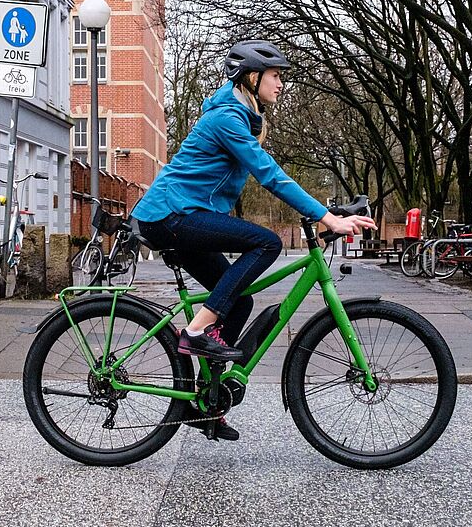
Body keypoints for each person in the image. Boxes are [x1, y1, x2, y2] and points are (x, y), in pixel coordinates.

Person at [130, 40, 375, 441]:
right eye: (276, 76)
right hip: (169, 216)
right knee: (267, 243)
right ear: (252, 76)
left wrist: (332, 213)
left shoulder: (242, 116)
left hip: (186, 215)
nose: (281, 84)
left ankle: (206, 405)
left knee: (239, 300)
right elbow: (271, 176)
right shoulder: (228, 118)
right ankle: (195, 333)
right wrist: (325, 215)